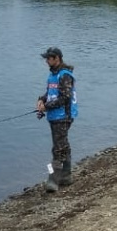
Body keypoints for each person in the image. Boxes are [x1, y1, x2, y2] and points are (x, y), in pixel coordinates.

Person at [36, 47, 77, 192]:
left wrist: (46, 107)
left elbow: (65, 97)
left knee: (58, 148)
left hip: (63, 116)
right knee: (63, 144)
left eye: (49, 58)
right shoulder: (52, 75)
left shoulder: (65, 75)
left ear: (57, 58)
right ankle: (66, 176)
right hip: (54, 116)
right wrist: (41, 100)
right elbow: (50, 93)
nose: (46, 61)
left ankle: (53, 181)